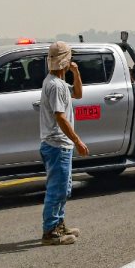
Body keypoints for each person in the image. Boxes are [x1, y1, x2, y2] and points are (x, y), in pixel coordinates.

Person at [39, 41, 88, 245]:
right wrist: (77, 140)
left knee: (63, 188)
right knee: (57, 189)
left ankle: (58, 224)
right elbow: (60, 116)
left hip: (59, 144)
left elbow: (77, 93)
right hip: (57, 144)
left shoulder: (57, 82)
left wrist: (76, 73)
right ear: (65, 61)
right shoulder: (55, 85)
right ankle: (50, 232)